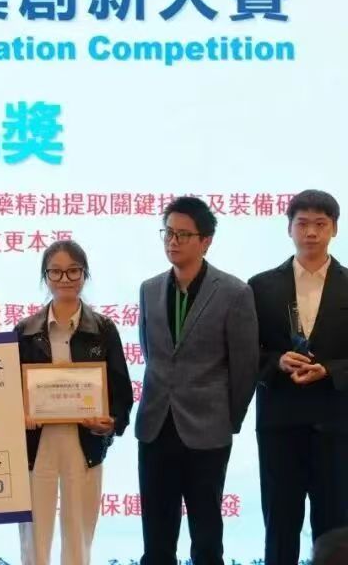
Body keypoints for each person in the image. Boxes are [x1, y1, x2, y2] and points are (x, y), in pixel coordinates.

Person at [135, 197, 259, 565]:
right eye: (168, 233)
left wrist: (228, 418)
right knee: (157, 535)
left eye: (183, 235)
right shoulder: (149, 288)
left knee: (205, 535)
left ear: (206, 241)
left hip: (208, 428)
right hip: (156, 424)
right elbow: (151, 354)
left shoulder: (234, 292)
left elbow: (245, 367)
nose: (173, 241)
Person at [16, 240, 132, 565]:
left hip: (85, 444)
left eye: (73, 271)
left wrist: (111, 422)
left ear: (84, 274)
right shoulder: (25, 331)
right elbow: (10, 390)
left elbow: (121, 392)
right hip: (36, 445)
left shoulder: (104, 330)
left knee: (79, 534)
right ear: (45, 276)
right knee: (34, 536)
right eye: (55, 272)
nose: (64, 279)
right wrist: (21, 413)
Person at [249, 190, 348, 565]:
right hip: (280, 423)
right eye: (302, 223)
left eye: (320, 224)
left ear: (334, 229)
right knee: (280, 525)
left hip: (336, 425)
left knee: (335, 529)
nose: (311, 232)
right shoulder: (260, 286)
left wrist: (331, 369)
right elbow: (245, 353)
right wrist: (276, 361)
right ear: (288, 228)